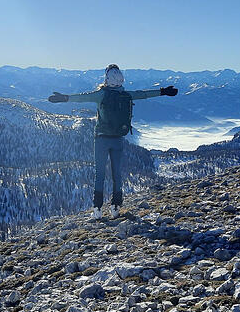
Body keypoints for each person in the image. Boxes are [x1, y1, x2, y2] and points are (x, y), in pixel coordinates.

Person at [48, 64, 178, 219]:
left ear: (106, 78)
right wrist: (163, 91)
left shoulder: (101, 95)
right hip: (118, 139)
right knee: (117, 174)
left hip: (101, 139)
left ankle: (97, 209)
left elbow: (82, 97)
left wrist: (64, 98)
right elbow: (144, 94)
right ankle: (115, 207)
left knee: (100, 174)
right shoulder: (126, 94)